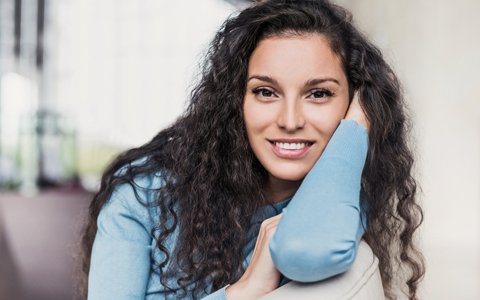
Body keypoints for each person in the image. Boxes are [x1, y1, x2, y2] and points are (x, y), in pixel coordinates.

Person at [79, 0, 425, 299]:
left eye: (319, 94)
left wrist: (363, 119)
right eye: (265, 92)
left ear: (349, 104)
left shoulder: (338, 187)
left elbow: (306, 249)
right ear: (235, 102)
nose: (290, 120)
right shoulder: (145, 197)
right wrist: (244, 291)